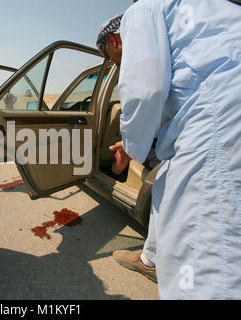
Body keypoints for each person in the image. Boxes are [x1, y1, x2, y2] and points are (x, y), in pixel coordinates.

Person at [102, 0, 241, 299]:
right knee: (171, 187)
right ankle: (151, 258)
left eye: (112, 59)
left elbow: (144, 91)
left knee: (210, 258)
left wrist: (130, 148)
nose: (115, 65)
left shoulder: (143, 10)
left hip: (224, 118)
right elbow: (173, 96)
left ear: (114, 41)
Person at [97, 14, 159, 284]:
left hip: (178, 146)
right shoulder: (161, 49)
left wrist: (127, 149)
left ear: (114, 41)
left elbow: (142, 112)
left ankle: (152, 261)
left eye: (108, 54)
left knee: (165, 190)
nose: (112, 60)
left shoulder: (136, 67)